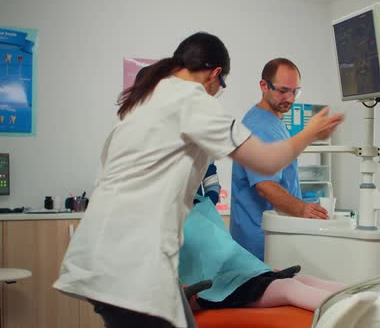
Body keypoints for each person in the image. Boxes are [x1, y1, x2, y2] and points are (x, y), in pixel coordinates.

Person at [53, 32, 343, 328]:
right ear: (215, 75)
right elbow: (266, 162)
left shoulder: (144, 103)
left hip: (103, 258)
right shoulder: (190, 99)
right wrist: (310, 133)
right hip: (133, 266)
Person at [230, 58, 329, 260]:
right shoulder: (261, 126)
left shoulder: (270, 120)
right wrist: (302, 208)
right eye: (283, 90)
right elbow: (265, 185)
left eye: (295, 91)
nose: (290, 98)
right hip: (263, 240)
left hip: (270, 234)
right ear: (263, 85)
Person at [179, 195, 345, 312]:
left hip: (235, 276)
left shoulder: (200, 203)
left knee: (301, 279)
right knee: (288, 287)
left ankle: (366, 295)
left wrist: (259, 270)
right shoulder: (168, 215)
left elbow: (227, 251)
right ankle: (359, 312)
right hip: (209, 291)